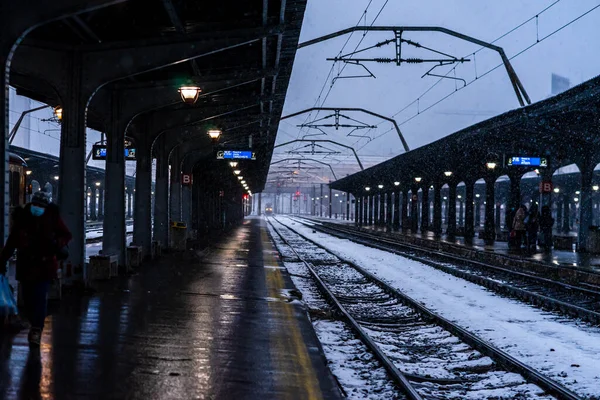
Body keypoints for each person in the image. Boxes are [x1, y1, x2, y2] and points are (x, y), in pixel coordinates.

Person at [0, 190, 71, 346]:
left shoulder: (52, 217)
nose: (37, 207)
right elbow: (12, 241)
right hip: (26, 266)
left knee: (39, 298)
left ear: (46, 206)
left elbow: (66, 235)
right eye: (35, 204)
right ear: (31, 203)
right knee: (28, 299)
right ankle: (35, 324)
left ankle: (36, 329)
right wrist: (2, 260)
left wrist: (56, 243)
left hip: (44, 266)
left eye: (40, 205)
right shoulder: (22, 218)